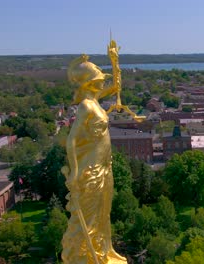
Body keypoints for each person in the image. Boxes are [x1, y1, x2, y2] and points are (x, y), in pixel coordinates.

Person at [61, 43, 127, 263]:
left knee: (103, 214)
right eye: (99, 78)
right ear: (90, 82)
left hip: (105, 166)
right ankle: (82, 256)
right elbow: (71, 141)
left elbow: (117, 86)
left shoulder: (96, 101)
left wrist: (115, 61)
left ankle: (105, 250)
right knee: (88, 218)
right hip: (91, 170)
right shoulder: (86, 106)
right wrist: (74, 172)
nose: (103, 81)